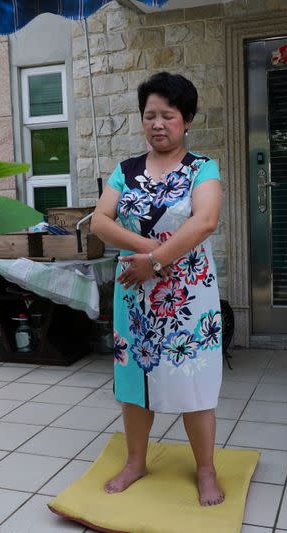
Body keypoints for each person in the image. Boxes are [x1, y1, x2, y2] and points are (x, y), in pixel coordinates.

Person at [90, 72, 225, 506]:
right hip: (136, 289)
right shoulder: (124, 170)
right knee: (134, 380)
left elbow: (204, 221)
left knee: (195, 380)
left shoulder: (203, 168)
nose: (158, 123)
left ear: (186, 119)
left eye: (168, 115)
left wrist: (158, 262)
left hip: (188, 295)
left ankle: (205, 469)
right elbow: (100, 221)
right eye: (150, 115)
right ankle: (135, 461)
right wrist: (150, 253)